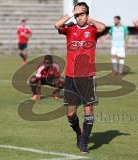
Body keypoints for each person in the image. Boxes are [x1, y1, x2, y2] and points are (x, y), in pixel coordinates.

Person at [54, 2, 105, 153]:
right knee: (70, 114)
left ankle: (84, 143)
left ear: (86, 15)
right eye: (77, 16)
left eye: (81, 15)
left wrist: (90, 20)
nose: (78, 18)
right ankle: (78, 134)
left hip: (87, 77)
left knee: (88, 111)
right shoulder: (70, 29)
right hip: (71, 77)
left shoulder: (92, 30)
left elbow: (102, 27)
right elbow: (57, 25)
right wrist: (71, 13)